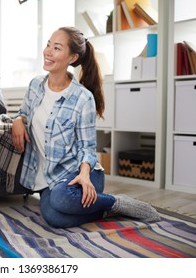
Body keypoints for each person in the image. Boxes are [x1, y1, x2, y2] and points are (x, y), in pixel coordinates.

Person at [12, 27, 160, 228]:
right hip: (50, 178)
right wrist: (17, 120)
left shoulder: (83, 98)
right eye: (48, 44)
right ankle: (105, 210)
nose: (48, 51)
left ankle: (117, 202)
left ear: (72, 58)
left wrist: (84, 174)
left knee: (61, 200)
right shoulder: (35, 85)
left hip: (83, 173)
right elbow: (23, 113)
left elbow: (87, 147)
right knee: (54, 217)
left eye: (56, 48)